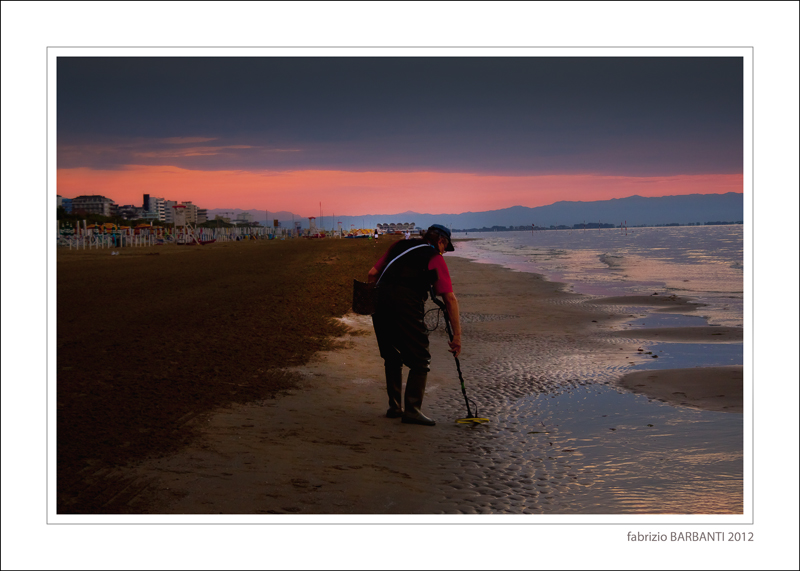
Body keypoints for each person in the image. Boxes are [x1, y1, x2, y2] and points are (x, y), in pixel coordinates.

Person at [367, 224, 461, 426]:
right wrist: (457, 336)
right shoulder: (434, 256)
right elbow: (450, 299)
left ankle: (394, 407)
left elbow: (372, 274)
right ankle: (412, 410)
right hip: (405, 303)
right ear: (440, 241)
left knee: (391, 354)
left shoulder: (399, 246)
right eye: (445, 247)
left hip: (379, 300)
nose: (444, 252)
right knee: (420, 358)